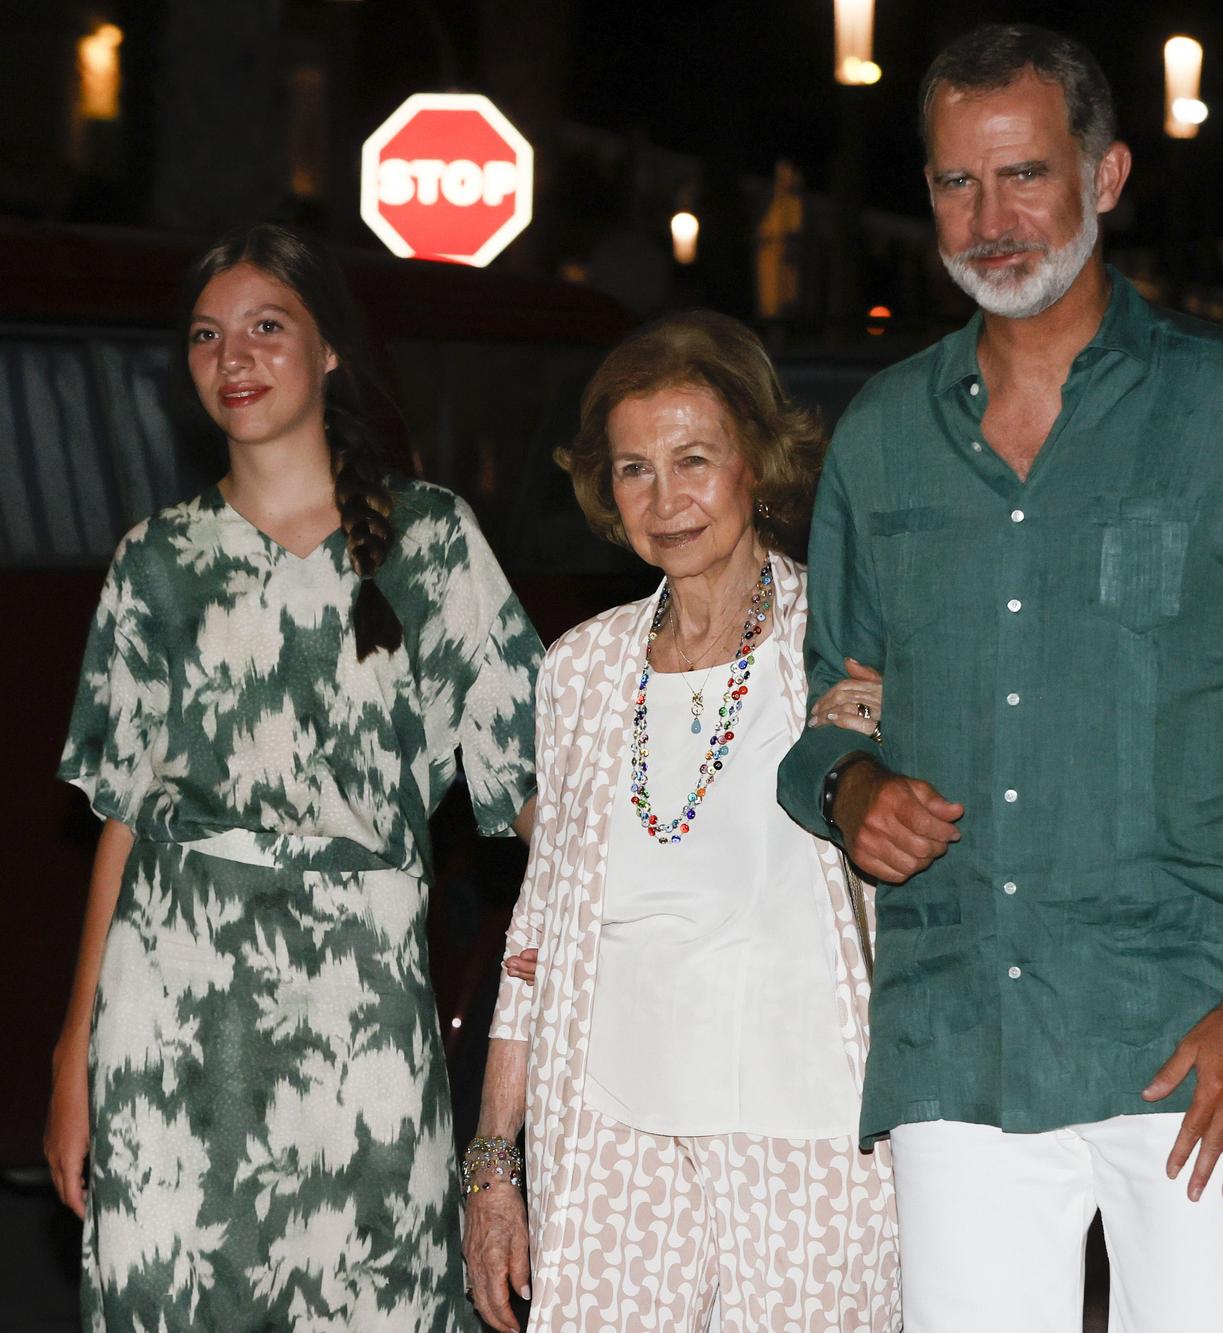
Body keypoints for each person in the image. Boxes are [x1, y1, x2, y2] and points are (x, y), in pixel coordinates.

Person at [774, 23, 1223, 1333]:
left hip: (1189, 1035)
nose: (990, 220)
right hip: (961, 1035)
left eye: (1026, 175)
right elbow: (835, 709)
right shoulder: (883, 438)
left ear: (1105, 178)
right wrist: (853, 786)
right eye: (955, 183)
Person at [44, 223, 541, 1330]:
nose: (235, 358)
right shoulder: (155, 560)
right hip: (168, 1006)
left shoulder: (431, 541)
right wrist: (76, 1043)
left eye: (268, 328)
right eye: (208, 337)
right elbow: (120, 816)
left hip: (360, 1006)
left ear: (327, 353)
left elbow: (537, 790)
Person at [460, 312, 899, 1332]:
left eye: (693, 459)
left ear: (756, 460)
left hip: (811, 1135)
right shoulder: (580, 669)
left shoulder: (837, 643)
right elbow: (538, 925)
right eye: (633, 469)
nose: (666, 500)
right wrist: (493, 1163)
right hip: (610, 1136)